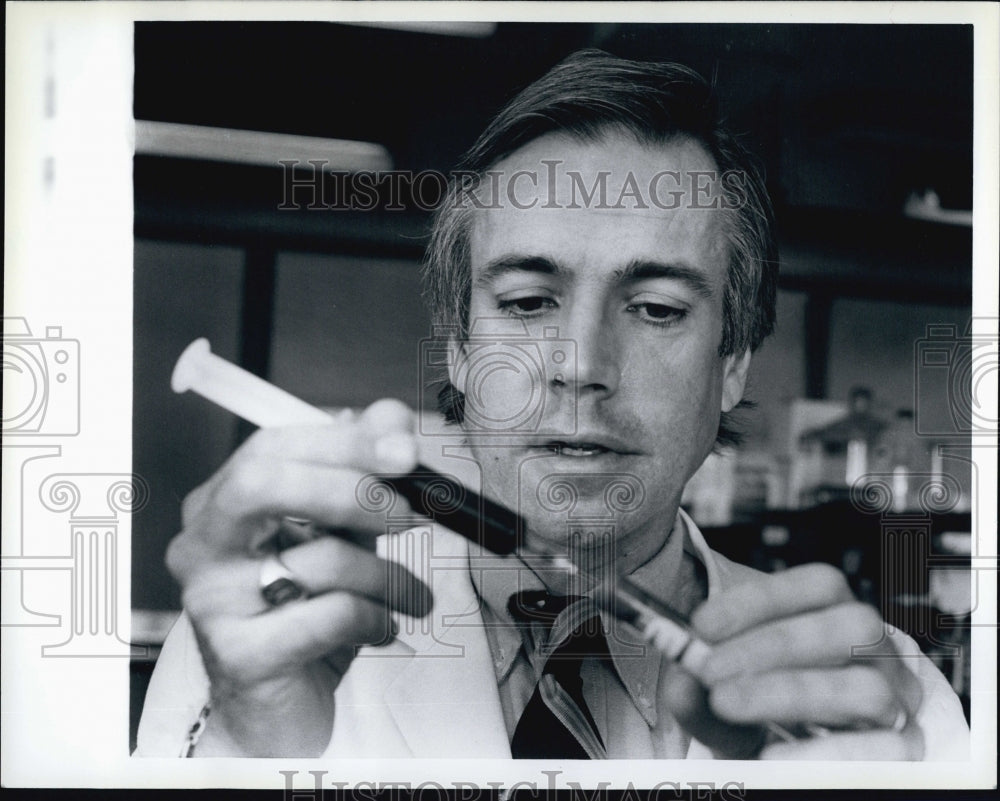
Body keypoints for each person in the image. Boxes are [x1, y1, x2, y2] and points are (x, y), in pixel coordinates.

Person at [136, 50, 969, 760]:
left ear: (732, 367)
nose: (581, 367)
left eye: (657, 309)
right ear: (460, 348)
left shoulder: (883, 698)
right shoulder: (259, 642)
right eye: (530, 301)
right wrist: (250, 749)